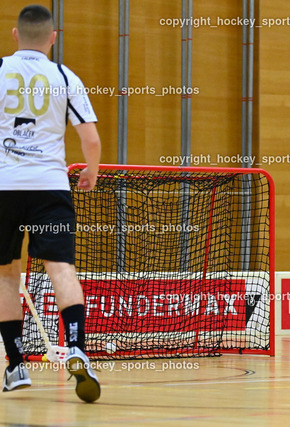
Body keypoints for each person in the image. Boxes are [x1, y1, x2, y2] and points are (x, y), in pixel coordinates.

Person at [0, 5, 102, 402]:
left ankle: (15, 365)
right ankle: (76, 348)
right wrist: (90, 172)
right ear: (52, 37)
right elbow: (89, 139)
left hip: (4, 187)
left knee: (8, 274)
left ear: (15, 35)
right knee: (61, 269)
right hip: (50, 188)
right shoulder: (64, 76)